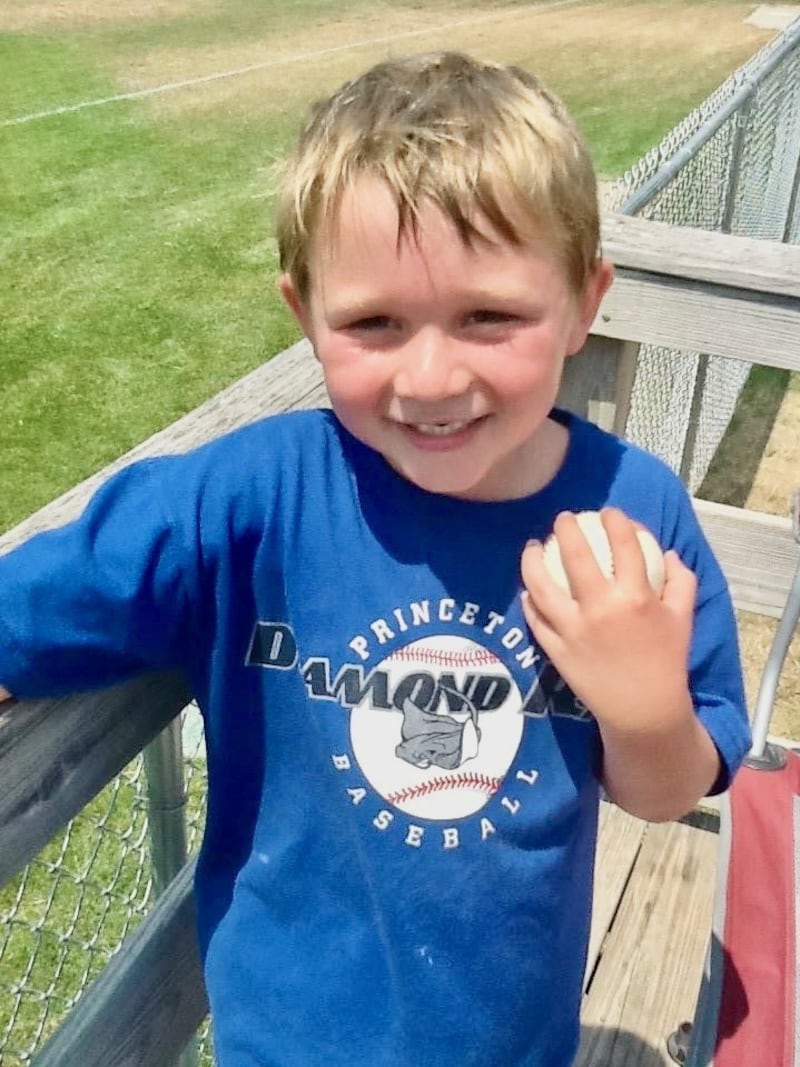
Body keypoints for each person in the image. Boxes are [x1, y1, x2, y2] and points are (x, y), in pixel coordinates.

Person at [0, 52, 750, 1066]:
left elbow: (673, 787)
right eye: (372, 323)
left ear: (582, 302)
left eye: (489, 316)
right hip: (286, 1042)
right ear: (303, 312)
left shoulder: (631, 510)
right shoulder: (251, 497)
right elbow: (48, 596)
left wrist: (643, 706)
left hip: (514, 1043)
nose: (432, 375)